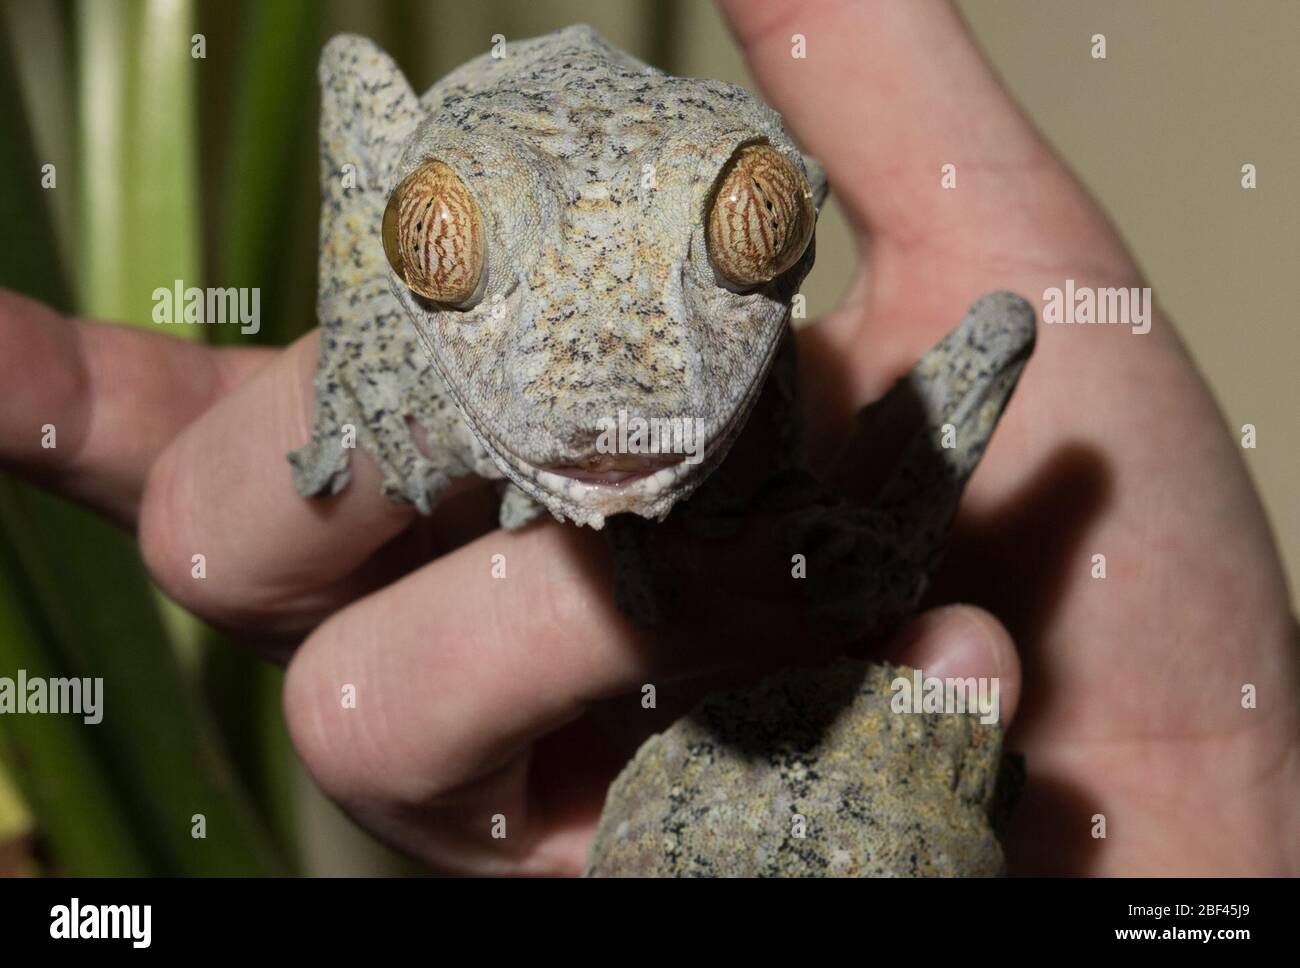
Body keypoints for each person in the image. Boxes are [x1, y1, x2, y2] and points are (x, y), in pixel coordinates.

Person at [0, 0, 1295, 875]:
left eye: (753, 229)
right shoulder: (422, 165)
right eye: (440, 247)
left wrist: (1228, 813)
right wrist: (378, 327)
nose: (614, 396)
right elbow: (352, 83)